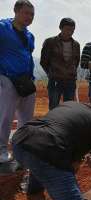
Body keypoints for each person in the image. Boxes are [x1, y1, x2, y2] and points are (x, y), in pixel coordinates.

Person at [12, 101, 91, 200]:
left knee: (40, 164)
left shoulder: (71, 105)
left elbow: (61, 131)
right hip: (47, 149)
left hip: (20, 142)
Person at [0, 0, 35, 163]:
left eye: (32, 14)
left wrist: (31, 78)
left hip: (26, 81)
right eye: (26, 13)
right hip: (7, 79)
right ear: (16, 11)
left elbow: (27, 56)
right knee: (5, 117)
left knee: (26, 119)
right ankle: (1, 149)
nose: (29, 17)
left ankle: (20, 150)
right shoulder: (2, 28)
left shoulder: (30, 35)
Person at [40, 18, 80, 110]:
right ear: (60, 28)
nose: (70, 32)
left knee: (69, 108)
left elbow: (76, 61)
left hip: (70, 80)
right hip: (55, 80)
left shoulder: (76, 45)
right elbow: (43, 61)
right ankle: (53, 124)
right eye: (67, 29)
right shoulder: (50, 42)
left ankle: (66, 125)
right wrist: (51, 73)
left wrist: (70, 72)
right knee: (53, 107)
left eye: (72, 30)